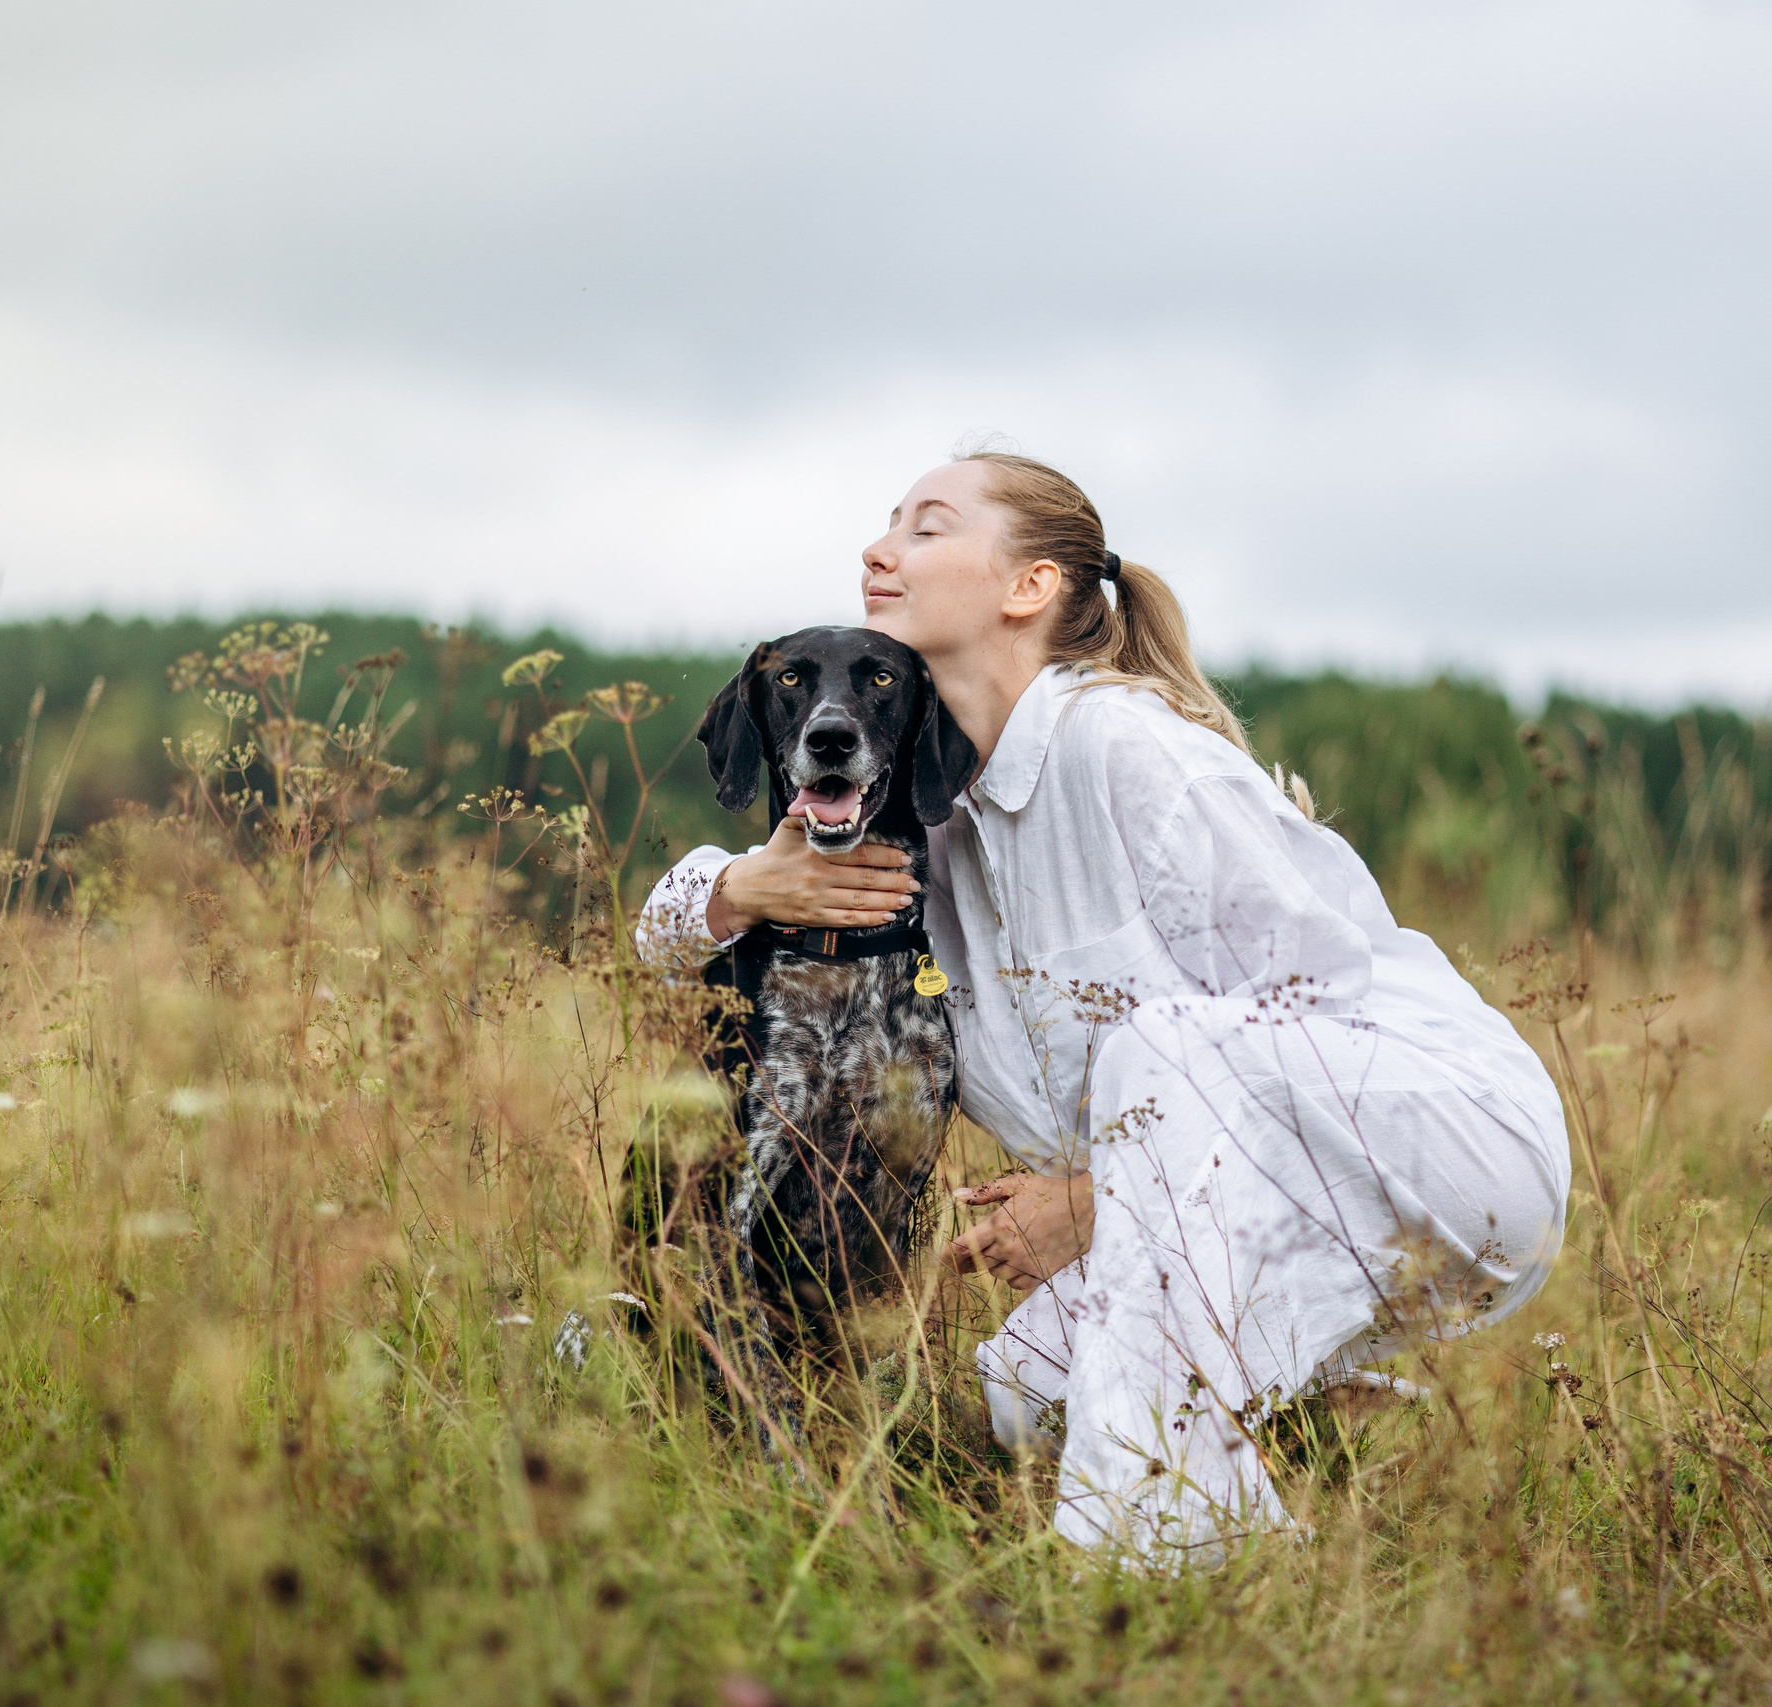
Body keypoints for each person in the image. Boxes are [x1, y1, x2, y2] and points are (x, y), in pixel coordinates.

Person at [637, 450, 1569, 1564]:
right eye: (884, 525)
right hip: (1262, 1215)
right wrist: (745, 887)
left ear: (1027, 587)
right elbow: (656, 945)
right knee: (1022, 1394)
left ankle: (1150, 1587)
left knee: (1158, 1053)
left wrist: (1097, 1194)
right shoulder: (923, 821)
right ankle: (1319, 1466)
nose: (878, 549)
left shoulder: (1125, 749)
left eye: (925, 527)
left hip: (1448, 1149)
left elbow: (1326, 1007)